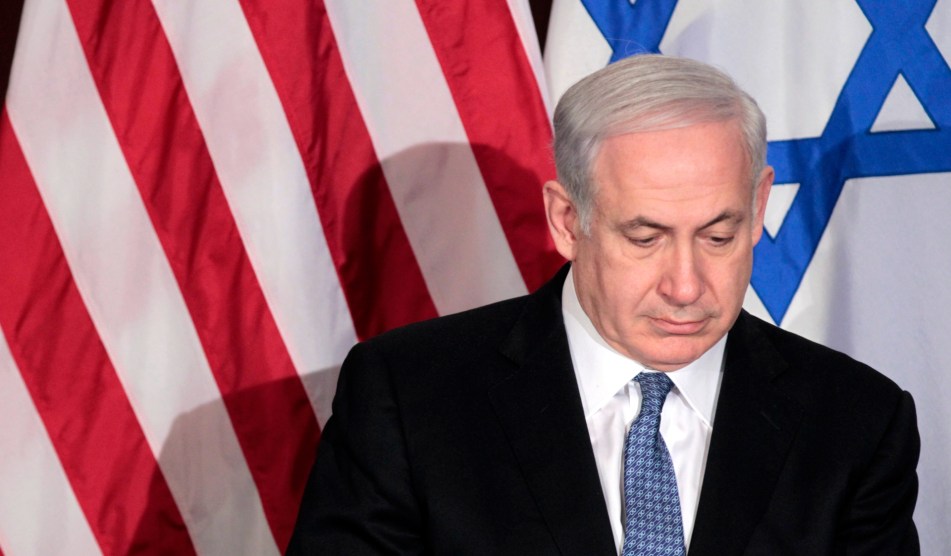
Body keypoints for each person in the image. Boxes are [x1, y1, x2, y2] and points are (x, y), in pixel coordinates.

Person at [286, 54, 920, 555]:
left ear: (759, 207)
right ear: (567, 220)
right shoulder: (409, 398)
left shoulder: (856, 422)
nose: (685, 285)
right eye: (644, 238)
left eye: (719, 236)